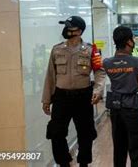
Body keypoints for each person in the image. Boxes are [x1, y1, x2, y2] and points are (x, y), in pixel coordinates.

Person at [42, 16, 106, 167]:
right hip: (61, 97)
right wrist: (46, 99)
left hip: (83, 97)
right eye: (66, 27)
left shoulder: (91, 50)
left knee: (86, 134)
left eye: (70, 27)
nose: (66, 30)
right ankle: (64, 162)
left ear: (79, 31)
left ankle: (84, 163)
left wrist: (98, 90)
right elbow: (50, 75)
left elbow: (99, 72)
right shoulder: (57, 50)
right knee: (56, 132)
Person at [103, 26, 138, 167]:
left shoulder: (107, 63)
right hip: (134, 108)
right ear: (129, 42)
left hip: (115, 109)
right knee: (137, 148)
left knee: (119, 147)